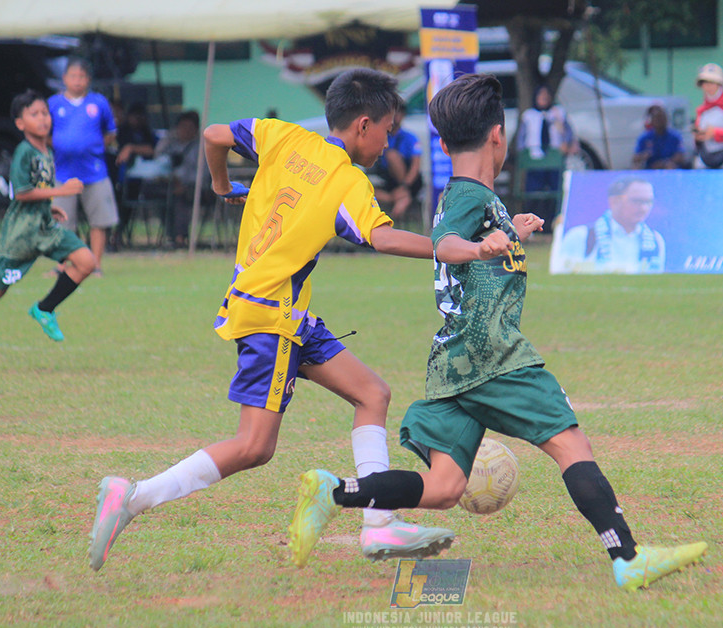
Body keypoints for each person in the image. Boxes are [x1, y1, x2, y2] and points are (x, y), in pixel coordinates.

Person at [287, 73, 707, 592]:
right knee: (572, 444)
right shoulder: (466, 196)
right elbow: (446, 243)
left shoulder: (475, 196)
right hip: (492, 352)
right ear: (498, 136)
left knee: (444, 488)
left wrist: (509, 232)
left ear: (442, 143)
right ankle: (628, 557)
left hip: (453, 361)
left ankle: (334, 491)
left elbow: (466, 242)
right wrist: (485, 245)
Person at [86, 68, 455, 572]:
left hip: (282, 314)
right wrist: (458, 250)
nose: (388, 141)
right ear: (364, 125)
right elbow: (384, 237)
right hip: (272, 316)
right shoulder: (347, 179)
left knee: (373, 394)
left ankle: (380, 521)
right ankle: (132, 496)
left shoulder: (285, 137)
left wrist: (222, 185)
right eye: (388, 130)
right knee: (254, 445)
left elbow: (216, 135)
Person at [0, 90, 96, 376]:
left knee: (87, 262)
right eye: (34, 114)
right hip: (22, 234)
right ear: (20, 123)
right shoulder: (24, 151)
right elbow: (21, 193)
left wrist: (50, 208)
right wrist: (61, 192)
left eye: (45, 113)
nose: (43, 119)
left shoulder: (46, 150)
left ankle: (44, 309)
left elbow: (39, 190)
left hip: (44, 226)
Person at [48, 57, 119, 275]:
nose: (77, 81)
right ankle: (63, 265)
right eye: (73, 76)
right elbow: (45, 132)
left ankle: (95, 265)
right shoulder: (54, 104)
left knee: (99, 220)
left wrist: (92, 147)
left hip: (94, 172)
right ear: (64, 78)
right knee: (63, 221)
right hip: (63, 172)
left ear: (88, 79)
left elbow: (111, 132)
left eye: (81, 76)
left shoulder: (98, 103)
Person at [555, 176, 665, 274]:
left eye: (648, 202)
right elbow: (563, 273)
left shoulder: (656, 240)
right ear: (614, 201)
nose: (643, 208)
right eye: (636, 201)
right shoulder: (580, 236)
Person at [518, 83, 577, 226]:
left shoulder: (558, 113)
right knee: (533, 192)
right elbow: (521, 139)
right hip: (535, 159)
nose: (544, 98)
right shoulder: (529, 115)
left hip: (554, 160)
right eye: (541, 95)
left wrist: (566, 144)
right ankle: (532, 223)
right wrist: (523, 155)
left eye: (546, 96)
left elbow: (569, 133)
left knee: (554, 191)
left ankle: (551, 222)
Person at [154, 110, 204, 248]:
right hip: (169, 183)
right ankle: (169, 235)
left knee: (180, 196)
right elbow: (158, 158)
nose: (186, 131)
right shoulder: (171, 144)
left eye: (190, 128)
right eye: (182, 127)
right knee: (160, 194)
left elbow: (203, 174)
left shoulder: (201, 148)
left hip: (194, 186)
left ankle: (180, 237)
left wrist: (184, 183)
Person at [112, 102, 158, 248]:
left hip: (139, 179)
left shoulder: (146, 132)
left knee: (128, 207)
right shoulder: (122, 132)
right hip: (119, 178)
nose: (138, 120)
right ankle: (113, 237)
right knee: (118, 205)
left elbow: (152, 150)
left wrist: (132, 148)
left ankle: (118, 235)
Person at [372, 107, 423, 219]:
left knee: (391, 155)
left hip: (409, 181)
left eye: (398, 114)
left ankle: (403, 193)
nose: (395, 118)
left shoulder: (410, 138)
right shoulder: (382, 136)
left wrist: (405, 186)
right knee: (367, 189)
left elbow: (415, 166)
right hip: (389, 179)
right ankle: (397, 197)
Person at [631, 104, 685, 170]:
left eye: (662, 118)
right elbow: (635, 158)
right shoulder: (645, 138)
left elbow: (680, 156)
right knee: (636, 167)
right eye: (657, 119)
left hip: (668, 168)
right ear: (652, 121)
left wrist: (663, 163)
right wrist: (644, 155)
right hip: (650, 170)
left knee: (671, 166)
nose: (660, 121)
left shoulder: (675, 136)